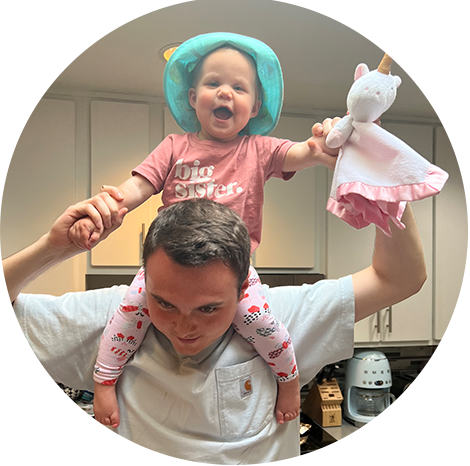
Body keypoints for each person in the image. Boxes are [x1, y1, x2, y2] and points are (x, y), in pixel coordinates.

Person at [0, 185, 426, 465]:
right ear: (144, 279)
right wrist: (53, 247)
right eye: (163, 303)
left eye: (208, 309)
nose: (183, 326)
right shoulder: (114, 314)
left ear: (243, 292)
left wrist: (384, 190)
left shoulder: (280, 314)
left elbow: (399, 278)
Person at [67, 32, 339, 428]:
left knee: (266, 328)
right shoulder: (174, 146)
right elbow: (139, 186)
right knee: (127, 316)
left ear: (255, 105)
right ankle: (104, 380)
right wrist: (113, 204)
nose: (225, 93)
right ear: (193, 97)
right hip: (172, 266)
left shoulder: (259, 150)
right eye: (213, 83)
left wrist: (324, 143)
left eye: (238, 87)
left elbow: (304, 152)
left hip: (231, 272)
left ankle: (290, 378)